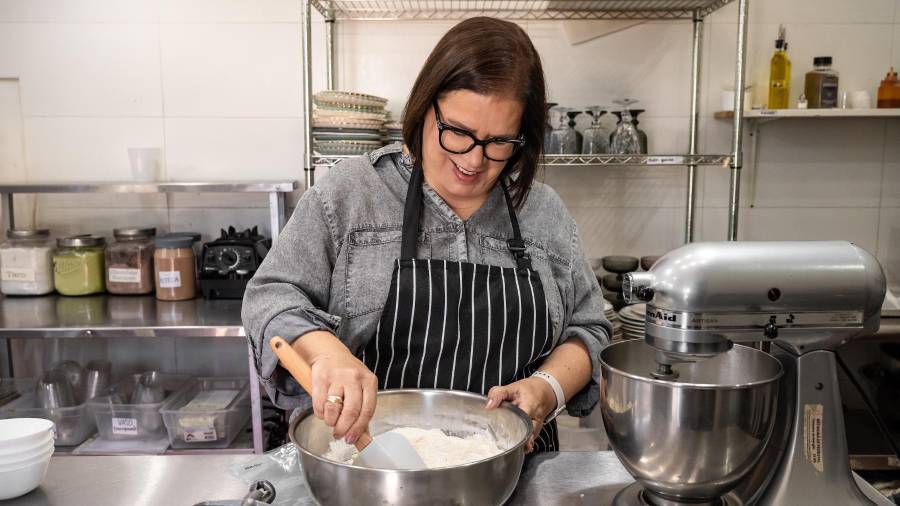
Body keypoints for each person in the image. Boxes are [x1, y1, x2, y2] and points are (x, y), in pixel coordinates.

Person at [242, 16, 610, 454]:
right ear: (424, 107)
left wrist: (547, 388)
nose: (474, 161)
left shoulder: (543, 212)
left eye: (499, 142)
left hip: (513, 471)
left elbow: (589, 327)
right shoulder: (352, 193)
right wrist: (326, 354)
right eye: (457, 132)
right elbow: (270, 296)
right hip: (371, 462)